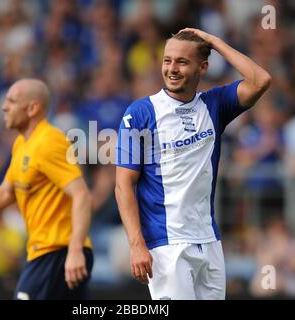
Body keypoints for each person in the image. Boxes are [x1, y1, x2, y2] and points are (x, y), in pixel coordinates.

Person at [115, 28, 271, 300]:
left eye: (182, 62)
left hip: (209, 240)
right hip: (166, 244)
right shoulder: (140, 113)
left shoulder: (215, 105)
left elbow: (260, 80)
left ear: (203, 67)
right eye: (167, 60)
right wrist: (136, 243)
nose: (171, 69)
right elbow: (123, 184)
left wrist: (214, 41)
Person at [0, 79, 93, 300]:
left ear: (32, 108)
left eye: (12, 101)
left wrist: (74, 250)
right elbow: (6, 192)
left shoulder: (49, 141)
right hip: (50, 252)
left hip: (57, 251)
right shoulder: (22, 144)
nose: (4, 107)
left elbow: (81, 194)